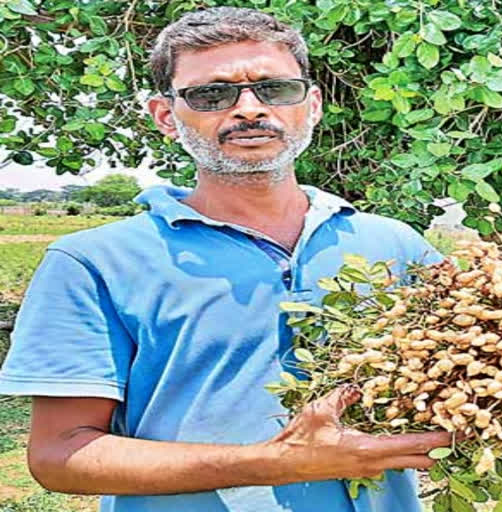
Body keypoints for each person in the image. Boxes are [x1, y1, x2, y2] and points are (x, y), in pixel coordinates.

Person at [0, 7, 453, 512]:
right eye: (212, 94)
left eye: (275, 89)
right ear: (166, 117)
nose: (249, 109)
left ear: (313, 105)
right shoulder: (94, 262)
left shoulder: (394, 245)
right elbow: (60, 454)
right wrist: (276, 462)